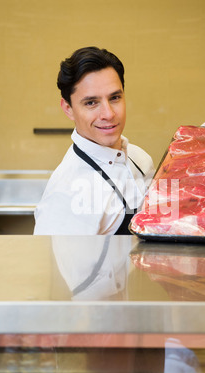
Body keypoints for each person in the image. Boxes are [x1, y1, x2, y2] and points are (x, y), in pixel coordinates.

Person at [34, 47, 155, 235]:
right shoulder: (66, 196)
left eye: (114, 98)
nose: (108, 114)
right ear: (68, 108)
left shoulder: (140, 158)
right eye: (91, 103)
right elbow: (58, 265)